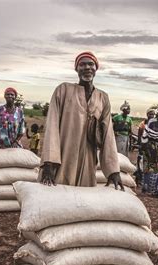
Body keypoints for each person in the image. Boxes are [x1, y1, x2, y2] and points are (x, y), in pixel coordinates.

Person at [39, 51, 122, 189]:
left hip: (88, 158)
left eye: (91, 64)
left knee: (83, 201)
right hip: (63, 156)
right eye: (82, 64)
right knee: (57, 196)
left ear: (96, 69)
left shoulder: (103, 98)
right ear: (76, 69)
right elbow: (52, 126)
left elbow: (108, 133)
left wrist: (113, 170)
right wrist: (49, 162)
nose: (87, 68)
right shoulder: (63, 90)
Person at [135, 108, 156, 185]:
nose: (152, 116)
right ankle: (139, 179)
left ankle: (147, 180)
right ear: (147, 115)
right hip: (143, 145)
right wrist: (140, 146)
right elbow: (139, 135)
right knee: (140, 162)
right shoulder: (143, 124)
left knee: (149, 163)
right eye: (150, 114)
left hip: (151, 147)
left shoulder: (154, 124)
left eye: (153, 114)